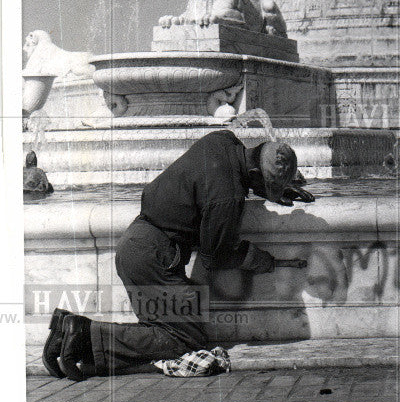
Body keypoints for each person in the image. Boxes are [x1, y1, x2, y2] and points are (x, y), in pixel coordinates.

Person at [43, 130, 314, 380]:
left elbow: (218, 183)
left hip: (136, 244)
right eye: (265, 186)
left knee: (157, 329)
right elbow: (216, 257)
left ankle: (65, 332)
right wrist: (256, 258)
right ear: (254, 174)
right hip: (155, 258)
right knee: (184, 340)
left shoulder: (223, 140)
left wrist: (276, 189)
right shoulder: (228, 197)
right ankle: (84, 332)